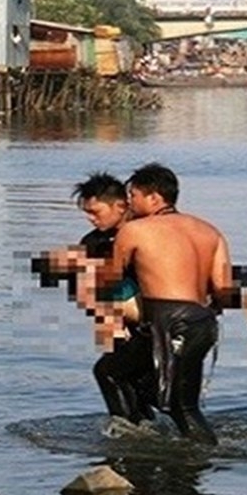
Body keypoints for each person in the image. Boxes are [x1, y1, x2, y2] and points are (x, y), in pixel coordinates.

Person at [99, 162, 247, 445]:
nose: (129, 203)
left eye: (133, 196)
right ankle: (142, 434)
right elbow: (222, 289)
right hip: (202, 323)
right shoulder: (209, 231)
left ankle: (184, 451)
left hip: (167, 322)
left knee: (174, 403)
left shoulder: (135, 230)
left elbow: (110, 280)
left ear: (154, 197)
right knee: (123, 374)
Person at [31, 173, 157, 428]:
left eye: (95, 212)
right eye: (87, 213)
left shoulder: (147, 232)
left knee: (135, 383)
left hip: (154, 314)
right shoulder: (94, 241)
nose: (90, 218)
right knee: (119, 376)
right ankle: (136, 429)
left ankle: (134, 432)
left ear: (120, 206)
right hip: (117, 321)